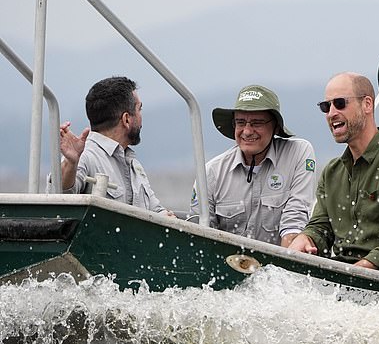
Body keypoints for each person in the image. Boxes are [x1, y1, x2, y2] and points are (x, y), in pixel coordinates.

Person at [288, 72, 379, 277]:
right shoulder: (332, 172)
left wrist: (355, 271)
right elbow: (321, 227)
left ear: (367, 105)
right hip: (344, 278)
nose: (331, 113)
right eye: (325, 107)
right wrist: (306, 238)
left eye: (339, 103)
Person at [190, 84, 316, 247]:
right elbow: (199, 237)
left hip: (279, 266)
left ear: (275, 127)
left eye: (257, 123)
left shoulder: (298, 153)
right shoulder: (210, 173)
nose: (247, 131)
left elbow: (294, 222)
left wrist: (284, 268)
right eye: (241, 122)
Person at [51, 76, 170, 214]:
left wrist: (165, 216)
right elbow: (59, 201)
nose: (141, 117)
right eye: (139, 109)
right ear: (126, 119)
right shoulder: (85, 156)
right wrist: (70, 163)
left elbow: (155, 210)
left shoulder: (133, 164)